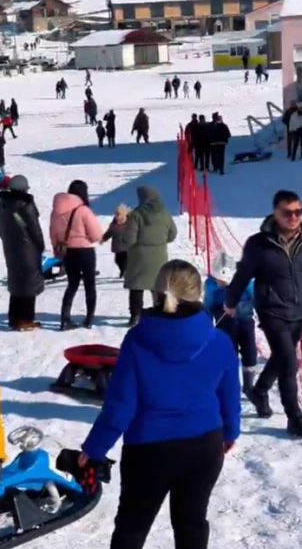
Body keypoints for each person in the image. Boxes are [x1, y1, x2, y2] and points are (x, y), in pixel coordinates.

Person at [79, 260, 239, 549]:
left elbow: (120, 406)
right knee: (191, 523)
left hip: (149, 451)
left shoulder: (137, 340)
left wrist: (94, 449)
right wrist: (230, 433)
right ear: (198, 294)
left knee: (132, 526)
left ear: (156, 292)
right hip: (204, 446)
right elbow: (230, 396)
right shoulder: (219, 341)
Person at [225, 190, 302, 436]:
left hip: (298, 309)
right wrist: (231, 300)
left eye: (298, 212)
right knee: (289, 363)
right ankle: (295, 416)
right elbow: (243, 274)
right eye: (287, 212)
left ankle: (260, 389)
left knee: (282, 356)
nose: (293, 217)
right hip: (272, 310)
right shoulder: (259, 243)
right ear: (275, 213)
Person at [49, 180, 104, 329]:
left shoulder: (56, 210)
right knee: (89, 285)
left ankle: (65, 318)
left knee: (72, 284)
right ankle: (88, 319)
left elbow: (52, 232)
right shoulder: (83, 210)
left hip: (67, 251)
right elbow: (96, 235)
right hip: (84, 251)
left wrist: (56, 249)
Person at [0, 175, 45, 330]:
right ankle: (25, 319)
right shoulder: (25, 205)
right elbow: (34, 228)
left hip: (11, 249)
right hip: (27, 249)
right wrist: (40, 245)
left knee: (17, 282)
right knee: (29, 284)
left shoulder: (3, 204)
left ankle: (14, 317)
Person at [123, 186, 178, 327]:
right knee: (158, 286)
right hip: (159, 254)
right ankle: (161, 313)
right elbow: (173, 234)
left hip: (139, 255)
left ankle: (136, 316)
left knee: (136, 286)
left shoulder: (136, 215)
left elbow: (130, 239)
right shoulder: (164, 213)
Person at [204, 254, 258, 395]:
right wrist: (207, 326)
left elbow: (256, 298)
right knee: (229, 353)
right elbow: (208, 305)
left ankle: (249, 385)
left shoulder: (246, 280)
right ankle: (230, 384)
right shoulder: (210, 285)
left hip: (245, 319)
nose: (221, 284)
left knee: (250, 351)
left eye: (224, 281)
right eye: (218, 281)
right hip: (225, 323)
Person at [101, 203, 130, 278]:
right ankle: (123, 270)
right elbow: (109, 232)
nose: (117, 216)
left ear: (124, 215)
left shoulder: (129, 223)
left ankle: (125, 272)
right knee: (117, 260)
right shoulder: (114, 224)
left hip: (127, 246)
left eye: (119, 214)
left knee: (125, 261)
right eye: (116, 214)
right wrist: (103, 238)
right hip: (117, 246)